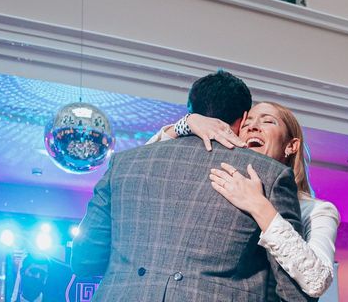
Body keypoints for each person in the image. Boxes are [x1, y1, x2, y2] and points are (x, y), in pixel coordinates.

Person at [71, 70, 314, 301]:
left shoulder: (124, 164)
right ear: (242, 118)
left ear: (191, 110)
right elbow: (294, 292)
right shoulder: (270, 175)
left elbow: (85, 258)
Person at [161, 102, 340, 298]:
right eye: (246, 125)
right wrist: (186, 123)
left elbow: (317, 280)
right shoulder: (221, 186)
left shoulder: (316, 210)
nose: (253, 127)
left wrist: (259, 205)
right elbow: (141, 174)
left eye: (268, 121)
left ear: (291, 145)